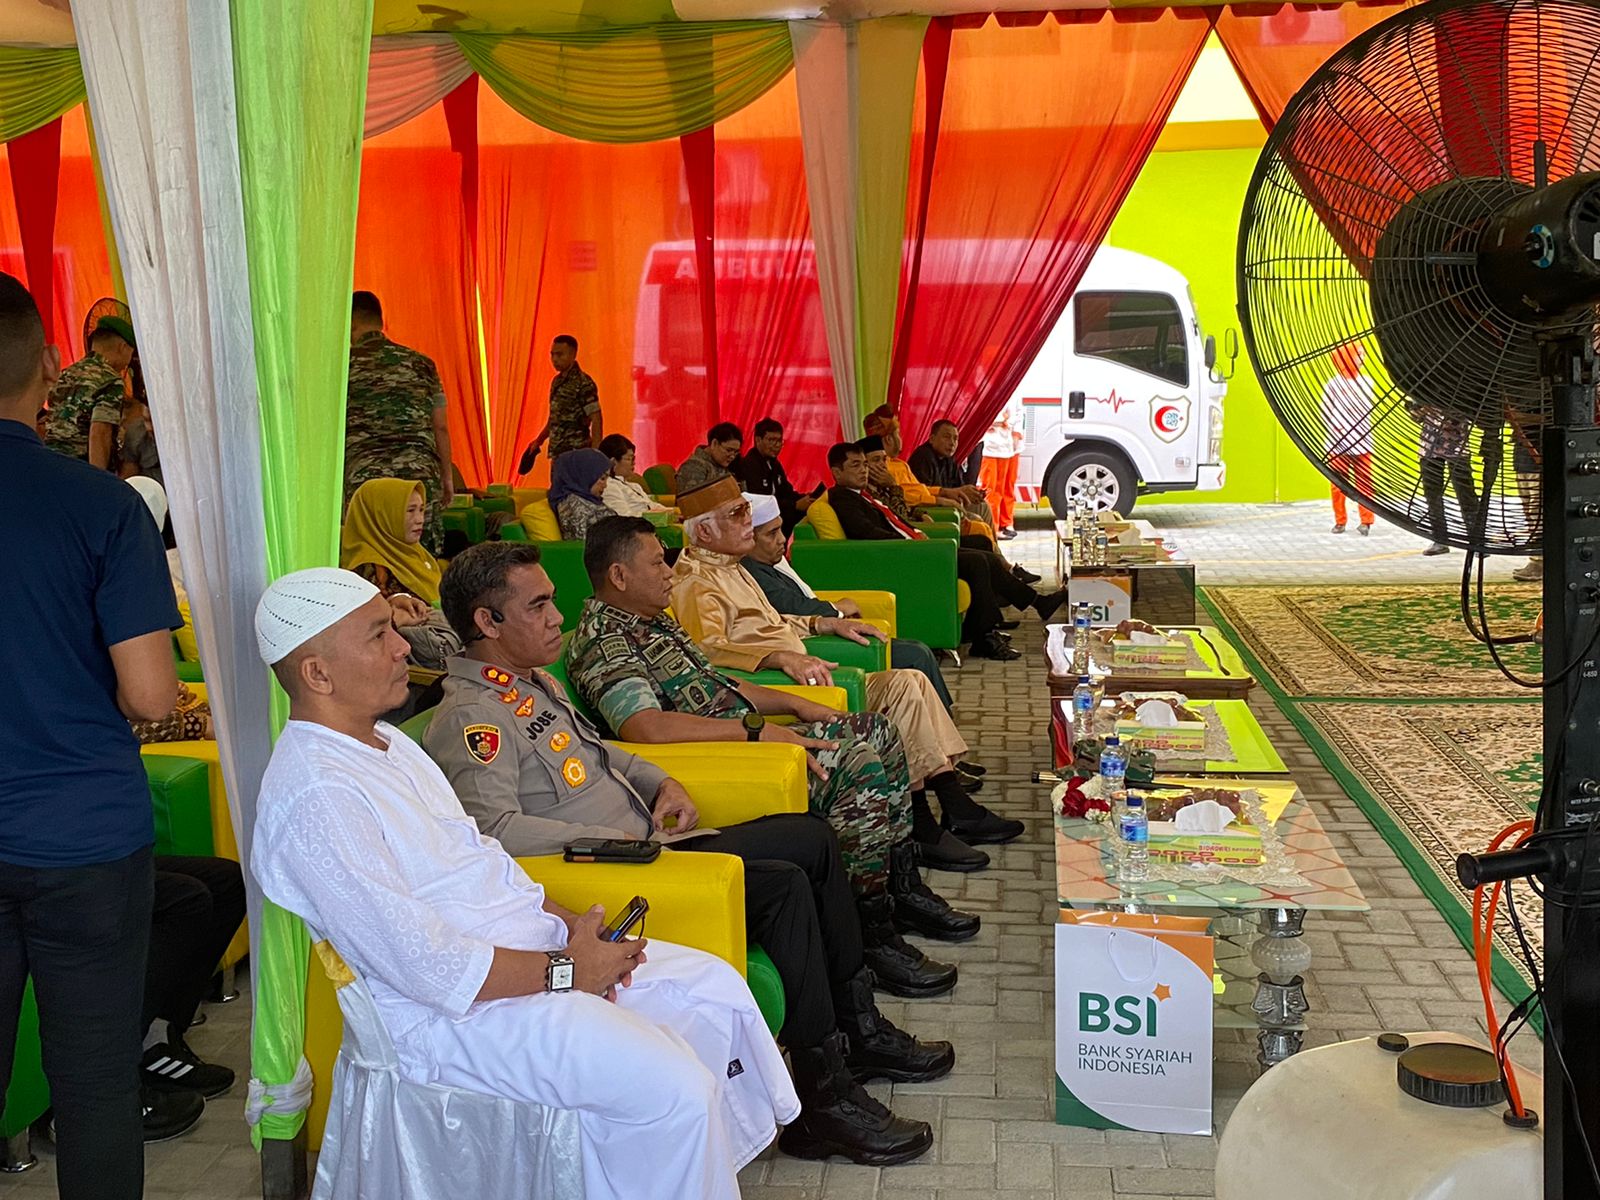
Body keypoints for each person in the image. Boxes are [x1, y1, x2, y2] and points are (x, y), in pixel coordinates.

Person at [250, 567, 800, 1198]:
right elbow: (425, 966)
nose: (405, 644)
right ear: (318, 674)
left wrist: (570, 926)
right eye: (379, 636)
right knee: (674, 1090)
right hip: (450, 1021)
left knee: (711, 994)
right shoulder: (316, 794)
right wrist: (567, 971)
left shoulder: (382, 745)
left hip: (528, 956)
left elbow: (479, 856)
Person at [426, 543, 950, 1165]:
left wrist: (658, 782)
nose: (555, 615)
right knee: (781, 885)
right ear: (487, 622)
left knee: (811, 837)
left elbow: (601, 752)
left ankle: (856, 1030)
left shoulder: (528, 682)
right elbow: (490, 829)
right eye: (537, 604)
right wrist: (610, 841)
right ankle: (822, 1102)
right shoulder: (471, 715)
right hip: (613, 870)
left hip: (653, 842)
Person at [566, 516, 981, 950]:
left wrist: (795, 703)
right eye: (657, 565)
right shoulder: (606, 639)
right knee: (854, 764)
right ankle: (870, 929)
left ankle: (901, 888)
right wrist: (753, 734)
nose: (669, 572)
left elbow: (720, 683)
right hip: (713, 761)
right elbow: (644, 727)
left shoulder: (654, 621)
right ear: (619, 575)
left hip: (743, 740)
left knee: (876, 730)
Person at [0, 273, 184, 1198]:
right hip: (85, 836)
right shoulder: (102, 506)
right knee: (97, 1085)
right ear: (43, 374)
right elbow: (152, 695)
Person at [671, 478, 1021, 853]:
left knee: (911, 681)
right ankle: (928, 821)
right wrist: (776, 657)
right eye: (737, 513)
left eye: (746, 509)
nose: (747, 521)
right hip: (777, 691)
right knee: (902, 688)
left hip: (806, 674)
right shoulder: (697, 581)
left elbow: (771, 622)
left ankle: (949, 806)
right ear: (704, 530)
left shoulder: (731, 567)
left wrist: (824, 623)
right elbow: (706, 653)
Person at [830, 442, 1065, 660]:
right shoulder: (844, 499)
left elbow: (896, 517)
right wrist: (912, 543)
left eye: (864, 464)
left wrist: (915, 528)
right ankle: (984, 635)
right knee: (977, 562)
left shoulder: (863, 494)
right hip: (899, 556)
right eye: (855, 465)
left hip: (911, 546)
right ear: (837, 472)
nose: (864, 470)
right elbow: (867, 533)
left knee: (983, 552)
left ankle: (1008, 617)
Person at [742, 492, 955, 712]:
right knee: (916, 655)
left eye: (780, 529)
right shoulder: (752, 572)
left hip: (821, 631)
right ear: (748, 539)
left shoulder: (769, 564)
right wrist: (836, 610)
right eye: (772, 534)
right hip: (810, 646)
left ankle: (945, 721)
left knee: (916, 649)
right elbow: (793, 607)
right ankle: (945, 721)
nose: (782, 539)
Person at [345, 291, 453, 555]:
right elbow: (440, 426)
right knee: (422, 558)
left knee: (370, 557)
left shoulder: (342, 367)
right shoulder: (422, 364)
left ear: (351, 323)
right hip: (417, 478)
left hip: (365, 479)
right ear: (381, 321)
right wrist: (447, 478)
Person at [140, 857, 244, 1110]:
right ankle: (127, 1053)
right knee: (187, 899)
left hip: (117, 853)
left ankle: (160, 1034)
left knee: (227, 882)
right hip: (70, 862)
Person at [340, 477, 461, 671]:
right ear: (381, 516)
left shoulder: (419, 555)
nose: (419, 519)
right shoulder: (369, 568)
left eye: (421, 509)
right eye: (410, 511)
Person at [42, 313, 134, 470]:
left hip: (51, 465)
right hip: (81, 470)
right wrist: (98, 479)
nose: (129, 362)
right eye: (131, 353)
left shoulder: (66, 374)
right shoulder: (110, 380)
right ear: (122, 347)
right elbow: (100, 432)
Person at [522, 334, 602, 467]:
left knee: (574, 488)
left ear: (573, 354)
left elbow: (596, 418)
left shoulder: (584, 383)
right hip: (558, 453)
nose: (554, 359)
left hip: (577, 453)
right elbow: (554, 419)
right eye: (552, 355)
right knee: (557, 488)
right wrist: (538, 441)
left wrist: (595, 454)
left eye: (560, 355)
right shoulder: (557, 382)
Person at [1412, 401, 1480, 556]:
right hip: (1429, 448)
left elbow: (1466, 416)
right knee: (1432, 494)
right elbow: (1416, 418)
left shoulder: (1459, 392)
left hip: (1457, 448)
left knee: (1465, 493)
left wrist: (1441, 410)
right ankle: (1440, 538)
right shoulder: (1426, 393)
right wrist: (1420, 409)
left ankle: (1475, 540)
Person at [1322, 342, 1376, 535]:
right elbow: (1326, 410)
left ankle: (1366, 520)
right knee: (1338, 483)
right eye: (1358, 355)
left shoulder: (1367, 382)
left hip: (1363, 440)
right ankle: (1340, 520)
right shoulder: (1333, 384)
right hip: (1338, 442)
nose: (1362, 359)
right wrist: (1337, 427)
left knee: (1365, 482)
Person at [733, 417, 817, 533]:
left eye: (779, 441)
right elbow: (759, 501)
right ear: (758, 440)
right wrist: (794, 505)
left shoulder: (774, 464)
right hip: (760, 523)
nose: (776, 445)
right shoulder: (748, 465)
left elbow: (786, 491)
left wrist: (804, 499)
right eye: (771, 440)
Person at [978, 398, 1024, 539]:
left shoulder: (1015, 388)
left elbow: (1019, 413)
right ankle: (993, 526)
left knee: (1006, 487)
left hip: (1008, 445)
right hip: (990, 444)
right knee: (991, 489)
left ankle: (1006, 522)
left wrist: (1015, 433)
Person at [549, 448, 616, 542]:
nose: (605, 485)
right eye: (602, 478)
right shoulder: (574, 507)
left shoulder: (587, 499)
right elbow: (585, 547)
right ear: (585, 475)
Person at [597, 433, 668, 518]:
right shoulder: (608, 486)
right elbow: (623, 517)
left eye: (634, 459)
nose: (633, 463)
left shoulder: (634, 486)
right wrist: (656, 517)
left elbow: (652, 505)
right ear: (613, 462)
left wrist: (671, 513)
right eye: (629, 459)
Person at [675, 421, 743, 495]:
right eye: (728, 450)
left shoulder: (725, 465)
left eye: (736, 452)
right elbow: (690, 501)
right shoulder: (693, 467)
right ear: (714, 443)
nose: (732, 456)